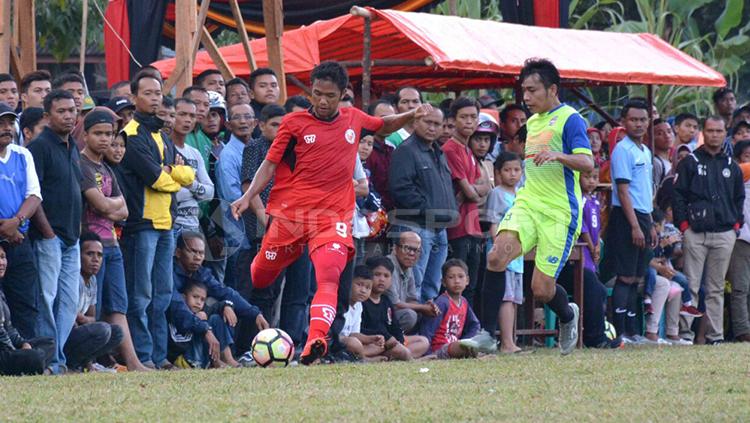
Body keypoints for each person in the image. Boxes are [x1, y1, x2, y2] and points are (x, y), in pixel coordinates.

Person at [231, 61, 432, 364]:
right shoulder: (294, 124)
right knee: (260, 276)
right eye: (317, 94)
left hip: (332, 218)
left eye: (330, 95)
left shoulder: (354, 119)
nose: (322, 101)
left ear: (342, 95)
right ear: (310, 92)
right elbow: (270, 164)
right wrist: (248, 196)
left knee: (329, 275)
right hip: (291, 217)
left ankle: (315, 339)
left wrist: (410, 115)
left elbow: (384, 126)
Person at [464, 58, 590, 355]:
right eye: (525, 91)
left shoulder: (571, 119)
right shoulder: (532, 122)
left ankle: (568, 315)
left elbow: (587, 163)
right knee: (495, 257)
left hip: (560, 212)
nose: (527, 98)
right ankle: (486, 334)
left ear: (552, 89)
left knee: (541, 290)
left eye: (533, 91)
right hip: (528, 204)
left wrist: (558, 156)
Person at [117, 70, 195, 368]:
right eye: (147, 93)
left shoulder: (162, 136)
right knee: (141, 297)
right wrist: (172, 174)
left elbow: (187, 174)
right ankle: (143, 356)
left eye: (157, 93)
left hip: (166, 225)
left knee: (163, 294)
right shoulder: (131, 135)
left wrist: (170, 173)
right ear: (134, 97)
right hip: (142, 225)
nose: (154, 98)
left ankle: (160, 357)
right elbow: (156, 180)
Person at [79, 110, 149, 371]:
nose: (105, 139)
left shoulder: (106, 167)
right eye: (98, 133)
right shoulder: (82, 164)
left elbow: (124, 211)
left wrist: (109, 207)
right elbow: (98, 204)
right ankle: (89, 360)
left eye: (109, 134)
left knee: (118, 305)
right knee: (92, 307)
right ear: (85, 135)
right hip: (90, 246)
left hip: (113, 245)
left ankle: (133, 362)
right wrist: (110, 206)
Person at [239, 104, 311, 349]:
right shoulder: (255, 148)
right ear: (261, 125)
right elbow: (249, 187)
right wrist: (268, 222)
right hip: (268, 230)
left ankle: (294, 345)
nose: (282, 130)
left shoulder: (298, 149)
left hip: (299, 228)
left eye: (285, 126)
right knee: (265, 291)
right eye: (275, 125)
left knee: (299, 291)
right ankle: (257, 346)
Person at [674, 116, 744, 344]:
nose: (714, 135)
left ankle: (715, 336)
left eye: (719, 131)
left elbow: (738, 198)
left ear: (725, 133)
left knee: (715, 288)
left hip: (725, 233)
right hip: (695, 233)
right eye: (710, 131)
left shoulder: (732, 165)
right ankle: (685, 334)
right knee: (692, 285)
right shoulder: (690, 161)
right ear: (703, 133)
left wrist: (735, 226)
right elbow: (678, 195)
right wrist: (683, 225)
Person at [26, 90, 82, 373]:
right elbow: (33, 196)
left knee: (68, 304)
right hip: (49, 238)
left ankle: (58, 359)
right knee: (46, 301)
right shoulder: (39, 147)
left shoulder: (71, 145)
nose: (69, 116)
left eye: (72, 110)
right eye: (62, 111)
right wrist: (48, 234)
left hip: (72, 239)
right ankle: (48, 361)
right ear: (47, 116)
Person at [389, 106, 458, 304]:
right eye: (428, 122)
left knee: (432, 287)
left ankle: (426, 333)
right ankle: (413, 333)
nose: (433, 128)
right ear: (416, 122)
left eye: (438, 124)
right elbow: (400, 188)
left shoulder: (438, 151)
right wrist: (428, 211)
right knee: (414, 287)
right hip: (415, 226)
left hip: (439, 228)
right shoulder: (406, 151)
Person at [604, 100, 656, 341]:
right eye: (633, 119)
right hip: (627, 217)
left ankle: (634, 331)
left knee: (637, 276)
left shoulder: (644, 151)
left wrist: (651, 224)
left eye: (642, 119)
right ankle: (620, 331)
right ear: (623, 122)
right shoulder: (622, 151)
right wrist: (635, 225)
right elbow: (623, 191)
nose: (638, 124)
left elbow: (645, 190)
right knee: (625, 276)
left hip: (644, 216)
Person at [172, 232, 268, 360]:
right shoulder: (168, 275)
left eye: (201, 253)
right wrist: (205, 328)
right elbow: (177, 308)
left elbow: (224, 292)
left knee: (223, 311)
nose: (197, 257)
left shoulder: (201, 273)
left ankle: (227, 360)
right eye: (192, 252)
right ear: (178, 252)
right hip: (172, 333)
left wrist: (255, 313)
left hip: (193, 327)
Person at [0, 103, 42, 340]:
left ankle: (27, 355)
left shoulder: (22, 154)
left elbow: (34, 195)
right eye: (1, 123)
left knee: (26, 300)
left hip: (19, 239)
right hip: (6, 235)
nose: (7, 128)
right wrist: (5, 228)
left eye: (9, 123)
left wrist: (16, 222)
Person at [480, 152, 524, 353]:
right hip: (503, 252)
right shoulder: (497, 194)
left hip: (517, 254)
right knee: (505, 297)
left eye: (516, 170)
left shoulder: (522, 194)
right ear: (498, 173)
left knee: (514, 298)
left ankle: (511, 340)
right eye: (507, 170)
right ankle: (506, 342)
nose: (512, 174)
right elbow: (493, 223)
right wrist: (500, 246)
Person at [65, 233, 124, 372]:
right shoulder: (73, 278)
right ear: (78, 256)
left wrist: (84, 319)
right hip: (68, 335)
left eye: (99, 255)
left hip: (80, 328)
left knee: (116, 332)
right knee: (102, 330)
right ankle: (70, 364)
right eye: (89, 254)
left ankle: (86, 364)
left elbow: (92, 316)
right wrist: (85, 320)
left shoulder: (92, 280)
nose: (95, 259)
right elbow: (70, 316)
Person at [0, 243, 55, 376]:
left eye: (3, 257)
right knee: (32, 357)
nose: (2, 263)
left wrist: (23, 343)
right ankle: (37, 367)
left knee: (49, 343)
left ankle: (33, 366)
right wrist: (18, 351)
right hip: (3, 350)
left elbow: (9, 328)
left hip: (7, 349)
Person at [362, 256, 429, 360]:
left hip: (390, 344)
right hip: (373, 343)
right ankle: (406, 357)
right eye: (377, 274)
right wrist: (388, 339)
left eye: (386, 276)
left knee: (423, 341)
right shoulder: (363, 301)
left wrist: (399, 341)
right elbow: (362, 330)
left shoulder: (386, 301)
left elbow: (395, 326)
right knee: (400, 351)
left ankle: (393, 356)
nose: (382, 279)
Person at [420, 259, 480, 359]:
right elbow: (428, 329)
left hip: (454, 346)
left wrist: (466, 340)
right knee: (468, 347)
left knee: (478, 342)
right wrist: (429, 354)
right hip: (440, 349)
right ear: (443, 282)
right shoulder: (442, 302)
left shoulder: (464, 302)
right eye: (451, 277)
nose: (457, 281)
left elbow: (475, 325)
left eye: (461, 277)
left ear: (467, 280)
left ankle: (469, 351)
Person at [168, 280, 236, 368]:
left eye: (202, 299)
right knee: (202, 327)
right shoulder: (177, 314)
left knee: (215, 319)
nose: (198, 302)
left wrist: (227, 306)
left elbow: (218, 306)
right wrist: (199, 324)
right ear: (184, 297)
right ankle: (214, 362)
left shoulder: (202, 311)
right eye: (195, 297)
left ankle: (228, 359)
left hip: (202, 357)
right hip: (185, 359)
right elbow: (176, 343)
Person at [171, 98, 214, 234]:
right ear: (172, 116)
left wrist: (189, 184)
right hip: (171, 226)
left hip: (193, 225)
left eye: (192, 116)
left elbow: (210, 194)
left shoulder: (194, 153)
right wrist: (196, 189)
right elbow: (173, 195)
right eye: (182, 114)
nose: (188, 120)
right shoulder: (162, 148)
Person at [386, 232, 440, 333]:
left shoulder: (408, 266)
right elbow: (395, 304)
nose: (411, 254)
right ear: (395, 248)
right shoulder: (388, 265)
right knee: (410, 315)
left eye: (416, 250)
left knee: (429, 313)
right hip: (382, 315)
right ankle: (390, 343)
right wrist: (422, 307)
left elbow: (412, 299)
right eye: (407, 248)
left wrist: (426, 306)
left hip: (396, 313)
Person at [339, 265, 387, 362]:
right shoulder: (340, 303)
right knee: (354, 343)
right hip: (335, 340)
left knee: (379, 346)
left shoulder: (359, 305)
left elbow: (354, 333)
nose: (363, 290)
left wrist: (371, 339)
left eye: (368, 287)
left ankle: (356, 356)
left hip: (350, 342)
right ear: (348, 283)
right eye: (359, 285)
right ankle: (364, 359)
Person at [728, 140, 750, 343]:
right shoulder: (738, 175)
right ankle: (743, 332)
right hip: (742, 238)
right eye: (747, 156)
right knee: (740, 288)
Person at [365, 100, 397, 213]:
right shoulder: (365, 151)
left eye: (392, 119)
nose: (389, 123)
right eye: (384, 119)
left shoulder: (392, 150)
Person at [183, 86, 213, 172]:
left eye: (206, 105)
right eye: (196, 103)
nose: (202, 109)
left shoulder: (206, 140)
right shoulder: (176, 135)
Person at [248, 68, 280, 139]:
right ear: (251, 93)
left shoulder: (284, 114)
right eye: (263, 86)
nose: (270, 89)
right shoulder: (246, 116)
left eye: (273, 85)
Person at [652, 118, 675, 191]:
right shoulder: (656, 163)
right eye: (660, 133)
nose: (667, 136)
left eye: (669, 131)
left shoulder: (671, 161)